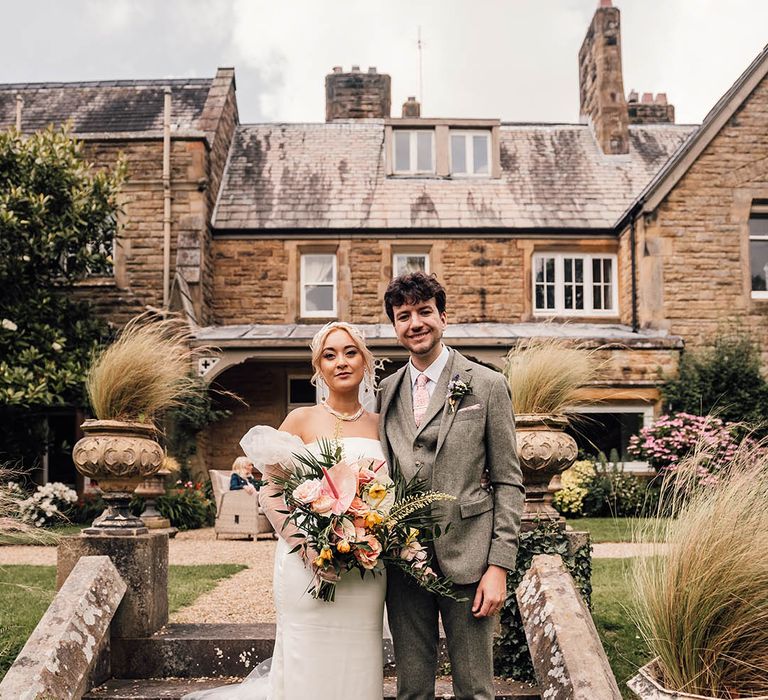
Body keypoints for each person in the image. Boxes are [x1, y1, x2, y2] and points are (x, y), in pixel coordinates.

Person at [183, 321, 386, 700]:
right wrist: (308, 547)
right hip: (306, 563)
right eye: (329, 355)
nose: (340, 362)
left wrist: (370, 535)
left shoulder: (382, 426)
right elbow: (271, 492)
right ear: (318, 368)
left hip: (366, 569)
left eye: (350, 352)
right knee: (305, 655)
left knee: (357, 656)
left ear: (366, 362)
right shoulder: (300, 420)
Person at [379, 271, 525, 700]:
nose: (415, 323)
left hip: (470, 558)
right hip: (402, 559)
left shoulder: (487, 384)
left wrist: (498, 566)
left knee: (476, 690)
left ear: (443, 317)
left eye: (424, 312)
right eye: (403, 316)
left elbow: (509, 482)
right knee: (411, 691)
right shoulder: (386, 391)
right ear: (394, 326)